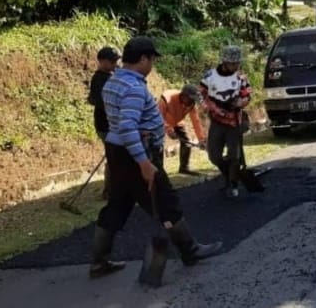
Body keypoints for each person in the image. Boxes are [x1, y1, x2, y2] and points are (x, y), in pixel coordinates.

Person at [89, 37, 222, 279]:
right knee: (166, 202)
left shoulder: (112, 82)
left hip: (117, 152)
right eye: (151, 60)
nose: (152, 65)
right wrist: (144, 163)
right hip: (138, 153)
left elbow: (119, 121)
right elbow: (128, 127)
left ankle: (99, 262)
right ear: (142, 59)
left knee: (118, 204)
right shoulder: (134, 88)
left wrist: (137, 131)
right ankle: (189, 250)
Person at [199, 45, 252, 198]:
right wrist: (210, 107)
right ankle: (228, 173)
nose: (236, 66)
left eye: (237, 63)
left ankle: (233, 184)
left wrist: (242, 102)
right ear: (225, 62)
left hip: (234, 121)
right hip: (216, 121)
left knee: (234, 156)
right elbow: (201, 94)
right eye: (233, 63)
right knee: (214, 156)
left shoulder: (241, 77)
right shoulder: (210, 76)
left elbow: (247, 94)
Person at [87, 46, 120, 200]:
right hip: (105, 125)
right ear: (102, 62)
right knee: (114, 158)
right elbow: (100, 102)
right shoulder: (99, 79)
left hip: (114, 124)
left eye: (116, 61)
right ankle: (109, 191)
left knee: (117, 156)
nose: (115, 64)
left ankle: (117, 188)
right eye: (112, 62)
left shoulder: (113, 73)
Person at [158, 85, 207, 175]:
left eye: (194, 100)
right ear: (184, 96)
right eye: (191, 99)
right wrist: (168, 129)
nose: (192, 102)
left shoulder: (191, 104)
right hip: (161, 123)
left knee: (187, 143)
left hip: (177, 121)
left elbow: (195, 121)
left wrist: (201, 139)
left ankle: (184, 168)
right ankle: (159, 172)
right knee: (158, 145)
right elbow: (159, 116)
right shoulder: (166, 98)